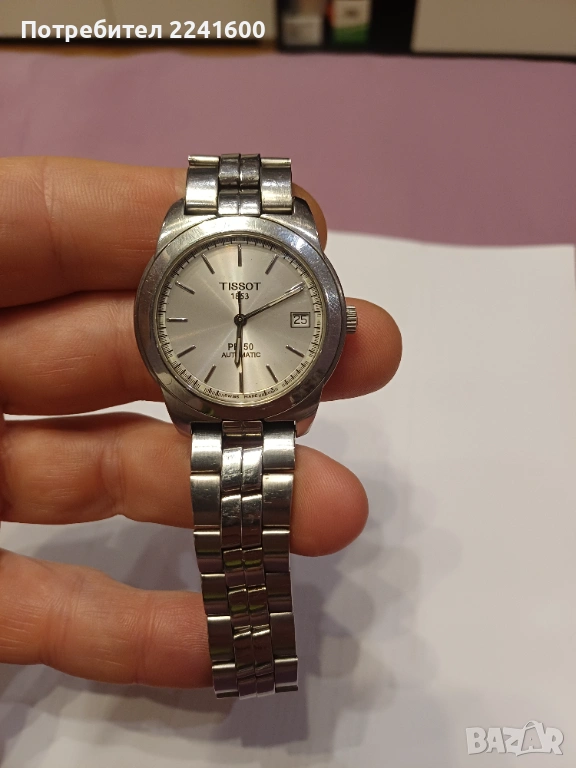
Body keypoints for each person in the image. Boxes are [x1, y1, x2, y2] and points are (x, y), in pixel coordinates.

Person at [0, 157, 402, 688]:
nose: (239, 319)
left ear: (336, 320)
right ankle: (254, 664)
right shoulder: (192, 260)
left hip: (242, 393)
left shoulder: (286, 239)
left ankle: (255, 663)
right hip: (211, 397)